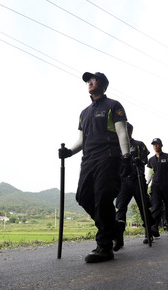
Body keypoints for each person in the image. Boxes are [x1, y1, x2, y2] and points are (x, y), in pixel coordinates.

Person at [59, 71, 131, 263]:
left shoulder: (113, 105)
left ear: (104, 84)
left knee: (102, 197)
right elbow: (81, 140)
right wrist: (68, 152)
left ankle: (104, 246)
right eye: (88, 81)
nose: (90, 82)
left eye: (94, 79)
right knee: (83, 197)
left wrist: (126, 157)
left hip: (108, 157)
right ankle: (113, 228)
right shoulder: (84, 112)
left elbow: (122, 132)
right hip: (88, 160)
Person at [114, 122, 155, 250]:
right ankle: (118, 238)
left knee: (143, 206)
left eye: (127, 129)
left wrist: (140, 161)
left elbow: (146, 160)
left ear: (131, 130)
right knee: (120, 208)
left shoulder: (139, 144)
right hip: (123, 182)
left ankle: (149, 232)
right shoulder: (118, 146)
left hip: (137, 178)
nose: (125, 132)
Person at [146, 138, 168, 237]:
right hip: (155, 186)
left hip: (166, 185)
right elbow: (149, 174)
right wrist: (146, 184)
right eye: (154, 144)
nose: (156, 146)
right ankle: (154, 227)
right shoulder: (151, 159)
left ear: (161, 145)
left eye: (157, 144)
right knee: (155, 206)